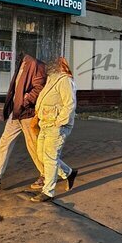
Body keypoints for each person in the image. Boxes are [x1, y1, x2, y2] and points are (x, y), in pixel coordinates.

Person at [0, 53, 46, 193]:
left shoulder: (36, 65)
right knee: (4, 143)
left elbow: (39, 87)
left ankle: (45, 174)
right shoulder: (21, 65)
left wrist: (26, 101)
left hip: (27, 113)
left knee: (33, 145)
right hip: (16, 112)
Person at [29, 57, 79, 202]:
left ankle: (48, 191)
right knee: (41, 155)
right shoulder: (51, 79)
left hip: (56, 126)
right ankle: (68, 173)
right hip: (45, 123)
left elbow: (70, 104)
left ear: (57, 67)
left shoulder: (64, 80)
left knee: (50, 158)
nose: (45, 68)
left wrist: (59, 122)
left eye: (49, 66)